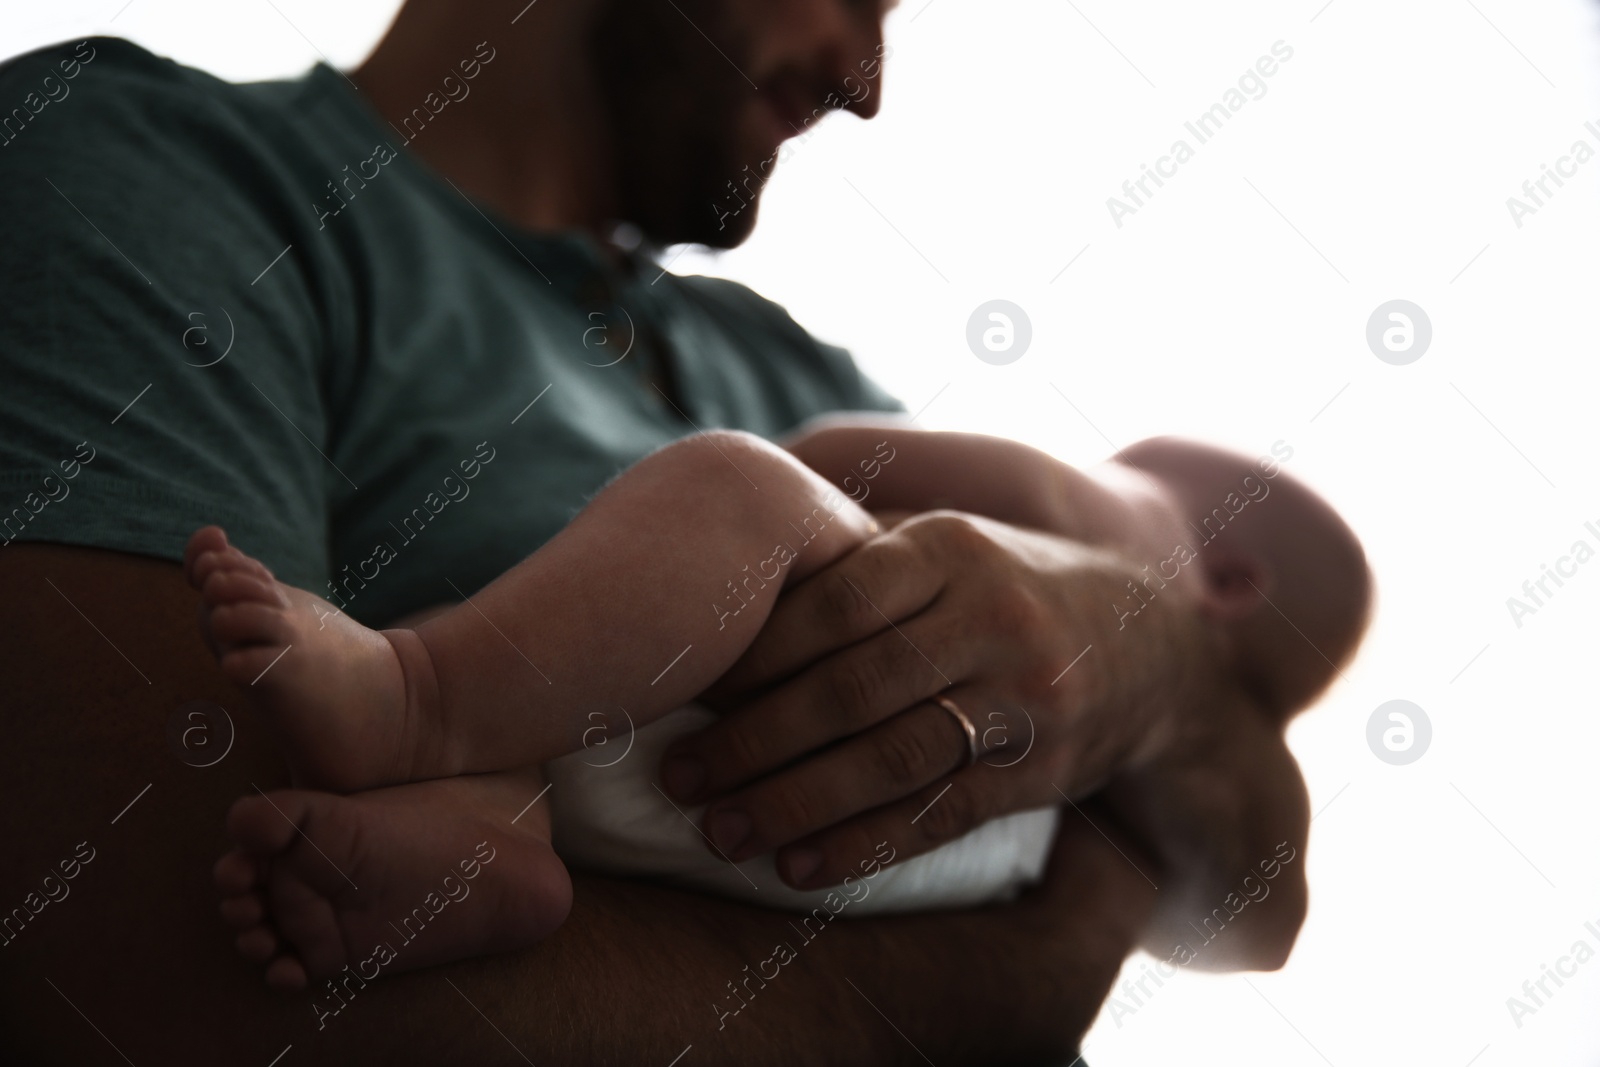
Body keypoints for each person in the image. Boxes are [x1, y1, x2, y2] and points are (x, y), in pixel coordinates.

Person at [0, 1, 1351, 1062]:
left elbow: (1261, 907)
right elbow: (171, 985)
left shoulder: (807, 379)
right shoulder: (146, 177)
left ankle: (441, 732)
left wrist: (1147, 668)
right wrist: (1021, 983)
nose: (864, 85)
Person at [191, 421, 1367, 992]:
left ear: (1224, 576)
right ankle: (490, 841)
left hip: (745, 714)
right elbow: (1251, 933)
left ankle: (415, 701)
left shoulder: (1104, 523)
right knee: (555, 716)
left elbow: (843, 460)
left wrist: (763, 498)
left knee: (737, 483)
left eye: (1138, 466)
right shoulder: (1161, 795)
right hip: (890, 870)